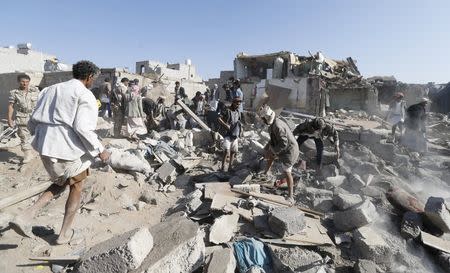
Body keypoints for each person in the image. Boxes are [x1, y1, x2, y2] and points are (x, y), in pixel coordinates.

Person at [9, 61, 110, 244]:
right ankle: (63, 235)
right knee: (76, 186)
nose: (93, 82)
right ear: (89, 77)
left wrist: (41, 138)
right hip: (67, 148)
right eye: (93, 78)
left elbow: (32, 121)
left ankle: (25, 216)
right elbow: (82, 128)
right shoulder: (84, 94)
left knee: (62, 181)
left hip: (45, 145)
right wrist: (101, 150)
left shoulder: (49, 89)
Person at [259, 105, 299, 202]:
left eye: (263, 118)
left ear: (267, 118)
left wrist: (272, 151)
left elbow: (284, 143)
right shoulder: (273, 125)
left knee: (287, 171)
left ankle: (291, 196)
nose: (262, 120)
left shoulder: (277, 126)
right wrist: (267, 148)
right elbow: (273, 139)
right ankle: (266, 173)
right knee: (271, 155)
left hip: (290, 151)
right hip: (284, 148)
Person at [8, 74, 40, 164]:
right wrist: (9, 119)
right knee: (23, 136)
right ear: (19, 82)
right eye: (23, 82)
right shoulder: (14, 93)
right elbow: (11, 106)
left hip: (35, 116)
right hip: (22, 117)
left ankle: (39, 153)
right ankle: (28, 155)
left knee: (38, 135)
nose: (25, 84)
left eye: (27, 82)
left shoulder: (35, 91)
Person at [218, 97, 243, 172]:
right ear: (233, 103)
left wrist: (241, 131)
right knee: (226, 150)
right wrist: (226, 125)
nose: (238, 105)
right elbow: (219, 118)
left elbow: (239, 122)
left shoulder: (238, 112)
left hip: (235, 133)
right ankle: (222, 167)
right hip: (227, 134)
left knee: (233, 151)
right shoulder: (227, 110)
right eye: (236, 104)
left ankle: (230, 167)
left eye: (239, 104)